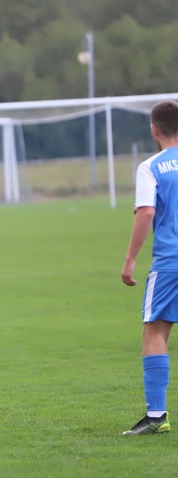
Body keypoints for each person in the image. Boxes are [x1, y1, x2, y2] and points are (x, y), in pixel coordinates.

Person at [120, 99, 178, 435]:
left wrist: (130, 260)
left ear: (154, 130)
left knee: (155, 330)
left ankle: (156, 416)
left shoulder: (151, 167)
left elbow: (146, 213)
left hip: (170, 262)